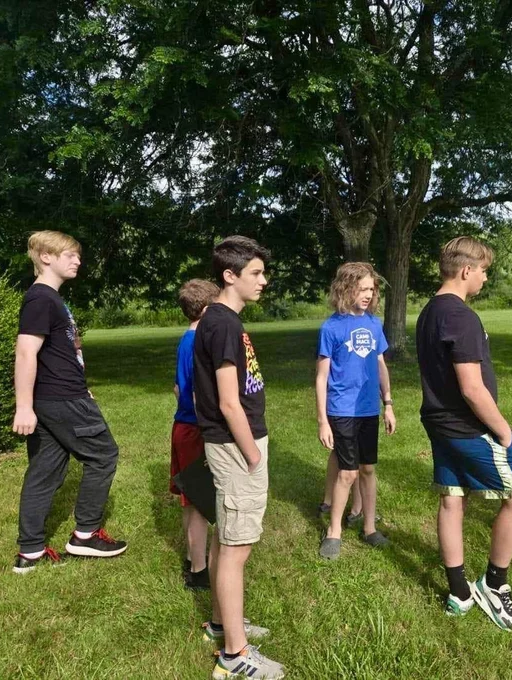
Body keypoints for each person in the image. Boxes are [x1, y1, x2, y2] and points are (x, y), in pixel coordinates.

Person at [415, 236, 512, 631]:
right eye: (484, 270)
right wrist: (504, 432)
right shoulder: (461, 316)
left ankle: (458, 593)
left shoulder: (429, 311)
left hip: (438, 422)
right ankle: (494, 584)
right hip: (467, 427)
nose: (484, 278)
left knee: (452, 500)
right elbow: (471, 387)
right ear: (467, 270)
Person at [193, 236, 284, 679]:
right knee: (236, 548)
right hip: (236, 446)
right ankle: (234, 656)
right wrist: (252, 454)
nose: (263, 281)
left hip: (230, 444)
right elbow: (229, 402)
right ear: (230, 276)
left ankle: (219, 622)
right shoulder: (224, 324)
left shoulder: (218, 319)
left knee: (224, 537)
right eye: (255, 273)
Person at [12, 230, 127, 574]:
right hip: (61, 398)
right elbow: (25, 352)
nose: (78, 260)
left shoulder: (50, 299)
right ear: (46, 257)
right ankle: (85, 534)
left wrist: (80, 384)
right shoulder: (41, 299)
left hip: (58, 395)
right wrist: (23, 406)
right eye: (70, 255)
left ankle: (30, 551)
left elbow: (57, 354)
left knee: (45, 472)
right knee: (103, 454)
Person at [316, 262, 396, 560]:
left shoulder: (374, 324)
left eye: (371, 289)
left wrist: (387, 403)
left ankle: (370, 528)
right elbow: (321, 377)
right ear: (345, 289)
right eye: (362, 288)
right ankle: (334, 531)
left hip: (368, 410)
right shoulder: (331, 327)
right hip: (341, 409)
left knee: (368, 469)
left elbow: (380, 364)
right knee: (347, 473)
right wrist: (323, 420)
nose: (368, 294)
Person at [171, 278, 220, 589]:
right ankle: (200, 572)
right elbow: (191, 396)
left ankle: (192, 559)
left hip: (183, 427)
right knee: (201, 503)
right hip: (196, 431)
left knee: (191, 501)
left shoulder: (185, 340)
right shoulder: (198, 344)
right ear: (205, 310)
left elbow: (177, 388)